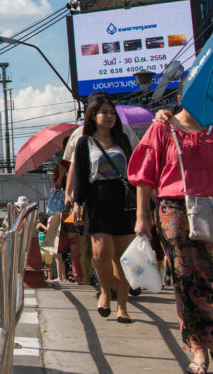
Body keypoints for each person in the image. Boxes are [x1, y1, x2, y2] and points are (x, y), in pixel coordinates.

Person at [129, 101, 213, 374]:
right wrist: (142, 216)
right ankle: (201, 349)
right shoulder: (162, 128)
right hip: (174, 211)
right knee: (188, 279)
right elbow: (145, 177)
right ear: (184, 94)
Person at [69, 94, 136, 323]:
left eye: (112, 113)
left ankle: (123, 307)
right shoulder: (84, 142)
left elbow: (134, 173)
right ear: (93, 116)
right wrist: (78, 202)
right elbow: (80, 175)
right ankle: (106, 291)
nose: (109, 117)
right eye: (104, 112)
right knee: (101, 252)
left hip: (123, 200)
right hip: (98, 199)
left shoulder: (123, 141)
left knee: (122, 257)